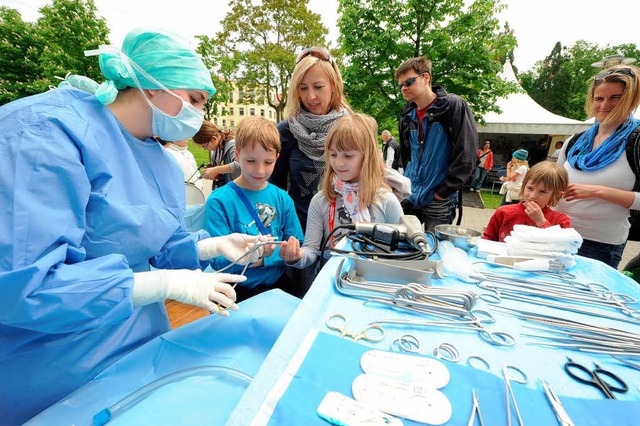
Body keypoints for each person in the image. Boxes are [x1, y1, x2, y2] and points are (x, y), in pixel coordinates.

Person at [0, 27, 266, 425]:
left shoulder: (156, 157)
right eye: (194, 99)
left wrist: (212, 246)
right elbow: (27, 287)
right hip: (55, 366)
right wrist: (166, 285)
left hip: (141, 343)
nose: (200, 114)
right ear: (152, 86)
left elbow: (159, 243)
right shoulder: (45, 132)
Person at [280, 113, 403, 270]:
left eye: (348, 155)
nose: (338, 162)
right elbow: (311, 250)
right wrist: (296, 256)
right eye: (333, 154)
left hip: (375, 285)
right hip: (333, 282)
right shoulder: (321, 200)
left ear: (367, 156)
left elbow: (403, 250)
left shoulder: (386, 200)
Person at [204, 117, 304, 301]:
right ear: (236, 155)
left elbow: (295, 245)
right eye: (251, 161)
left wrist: (266, 258)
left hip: (278, 289)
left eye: (268, 162)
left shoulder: (282, 198)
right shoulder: (218, 201)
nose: (259, 170)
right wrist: (254, 257)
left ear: (277, 158)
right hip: (234, 291)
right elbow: (216, 261)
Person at [554, 64, 640, 268]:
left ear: (630, 100)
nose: (604, 105)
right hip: (555, 235)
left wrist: (598, 191)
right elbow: (554, 182)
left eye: (615, 98)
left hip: (599, 245)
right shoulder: (575, 141)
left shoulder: (636, 141)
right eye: (599, 98)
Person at [270, 47, 352, 232]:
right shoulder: (285, 131)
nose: (311, 96)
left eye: (318, 86)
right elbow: (275, 190)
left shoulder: (353, 128)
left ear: (334, 85)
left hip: (346, 235)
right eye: (303, 87)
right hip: (298, 235)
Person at [395, 56, 477, 232]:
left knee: (434, 250)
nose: (404, 88)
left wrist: (443, 191)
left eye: (409, 82)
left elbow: (467, 153)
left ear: (426, 78)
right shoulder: (406, 115)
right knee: (401, 247)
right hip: (411, 194)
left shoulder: (452, 106)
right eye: (401, 85)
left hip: (439, 198)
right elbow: (406, 156)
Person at [483, 161, 571, 242]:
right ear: (523, 185)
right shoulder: (503, 212)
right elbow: (487, 240)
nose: (532, 196)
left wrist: (542, 222)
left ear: (556, 195)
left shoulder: (560, 221)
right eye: (530, 188)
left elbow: (561, 248)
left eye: (542, 191)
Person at [193, 120, 240, 189]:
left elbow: (240, 165)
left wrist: (216, 170)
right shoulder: (216, 151)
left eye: (204, 146)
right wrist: (212, 170)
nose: (205, 149)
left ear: (213, 139)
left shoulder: (232, 146)